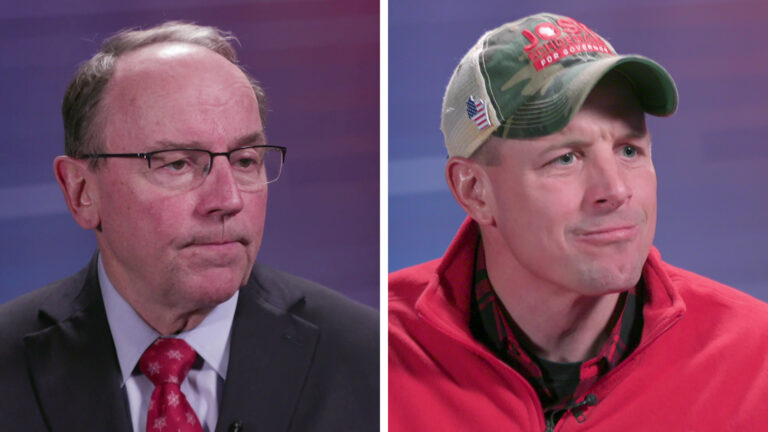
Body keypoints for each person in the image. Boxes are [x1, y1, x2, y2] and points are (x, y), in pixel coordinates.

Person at [389, 12, 768, 431]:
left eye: (629, 150)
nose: (616, 189)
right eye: (566, 158)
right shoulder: (372, 354)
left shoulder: (756, 359)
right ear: (474, 191)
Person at [0, 21, 378, 432]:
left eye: (245, 160)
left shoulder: (369, 362)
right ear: (81, 191)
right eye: (177, 163)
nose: (228, 200)